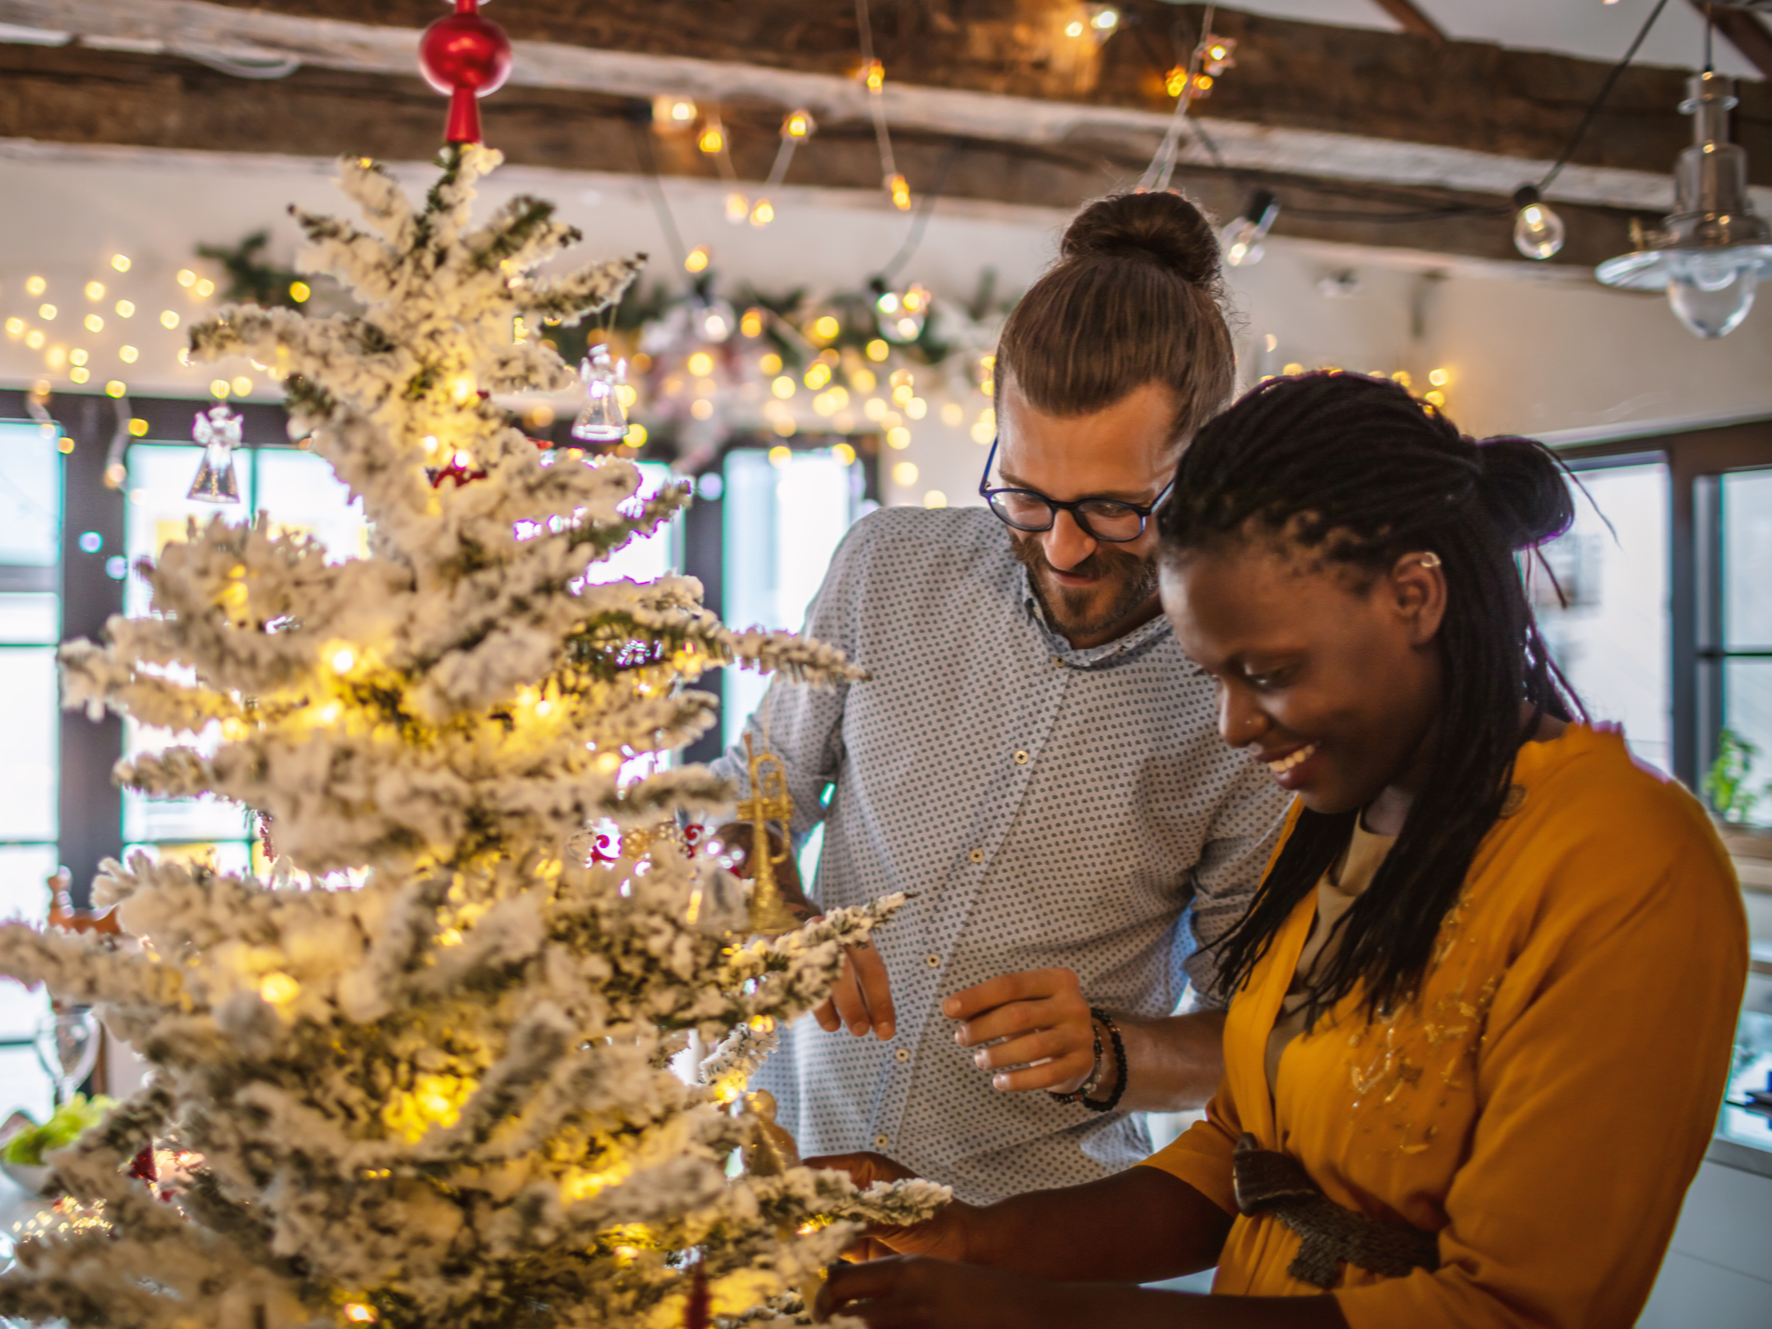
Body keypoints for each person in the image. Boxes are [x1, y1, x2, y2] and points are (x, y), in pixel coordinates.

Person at [813, 372, 1748, 1328]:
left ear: (1415, 595)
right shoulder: (1343, 822)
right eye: (1214, 674)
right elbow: (1239, 1162)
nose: (1232, 724)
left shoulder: (1623, 861)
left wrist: (1028, 1315)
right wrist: (968, 1237)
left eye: (1267, 672)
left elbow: (1514, 1310)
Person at [708, 193, 1292, 1204]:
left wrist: (1115, 1054)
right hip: (792, 1184)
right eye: (1025, 495)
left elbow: (1262, 1036)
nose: (1063, 548)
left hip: (1034, 1252)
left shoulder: (1244, 708)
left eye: (1116, 509)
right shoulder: (882, 569)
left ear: (1203, 469)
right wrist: (771, 909)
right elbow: (746, 791)